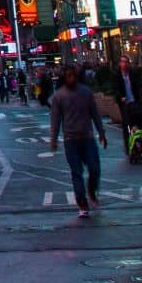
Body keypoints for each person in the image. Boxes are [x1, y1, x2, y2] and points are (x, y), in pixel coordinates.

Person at [49, 70, 109, 215]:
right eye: (68, 75)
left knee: (94, 168)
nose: (71, 78)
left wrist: (101, 132)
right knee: (77, 172)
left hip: (87, 136)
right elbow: (55, 119)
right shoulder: (59, 96)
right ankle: (81, 202)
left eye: (73, 75)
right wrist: (54, 139)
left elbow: (94, 113)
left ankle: (91, 190)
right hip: (70, 139)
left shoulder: (85, 92)